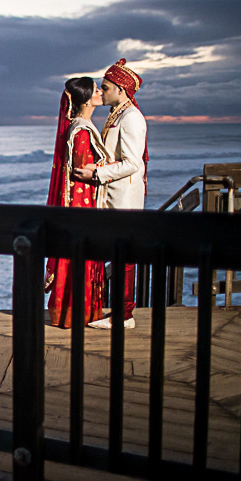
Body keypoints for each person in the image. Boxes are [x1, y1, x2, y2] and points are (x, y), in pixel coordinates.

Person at [72, 58, 148, 330]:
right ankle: (117, 312)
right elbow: (114, 156)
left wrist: (97, 175)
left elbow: (132, 163)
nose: (101, 92)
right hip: (112, 196)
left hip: (123, 199)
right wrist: (98, 166)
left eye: (105, 87)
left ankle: (124, 315)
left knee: (124, 259)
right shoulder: (117, 113)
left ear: (121, 88)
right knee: (117, 256)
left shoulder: (131, 118)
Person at [45, 77, 108, 328]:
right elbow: (82, 169)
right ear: (86, 99)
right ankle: (77, 313)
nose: (100, 93)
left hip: (79, 201)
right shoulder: (82, 130)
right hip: (82, 202)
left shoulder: (77, 125)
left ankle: (72, 312)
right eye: (96, 90)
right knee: (82, 255)